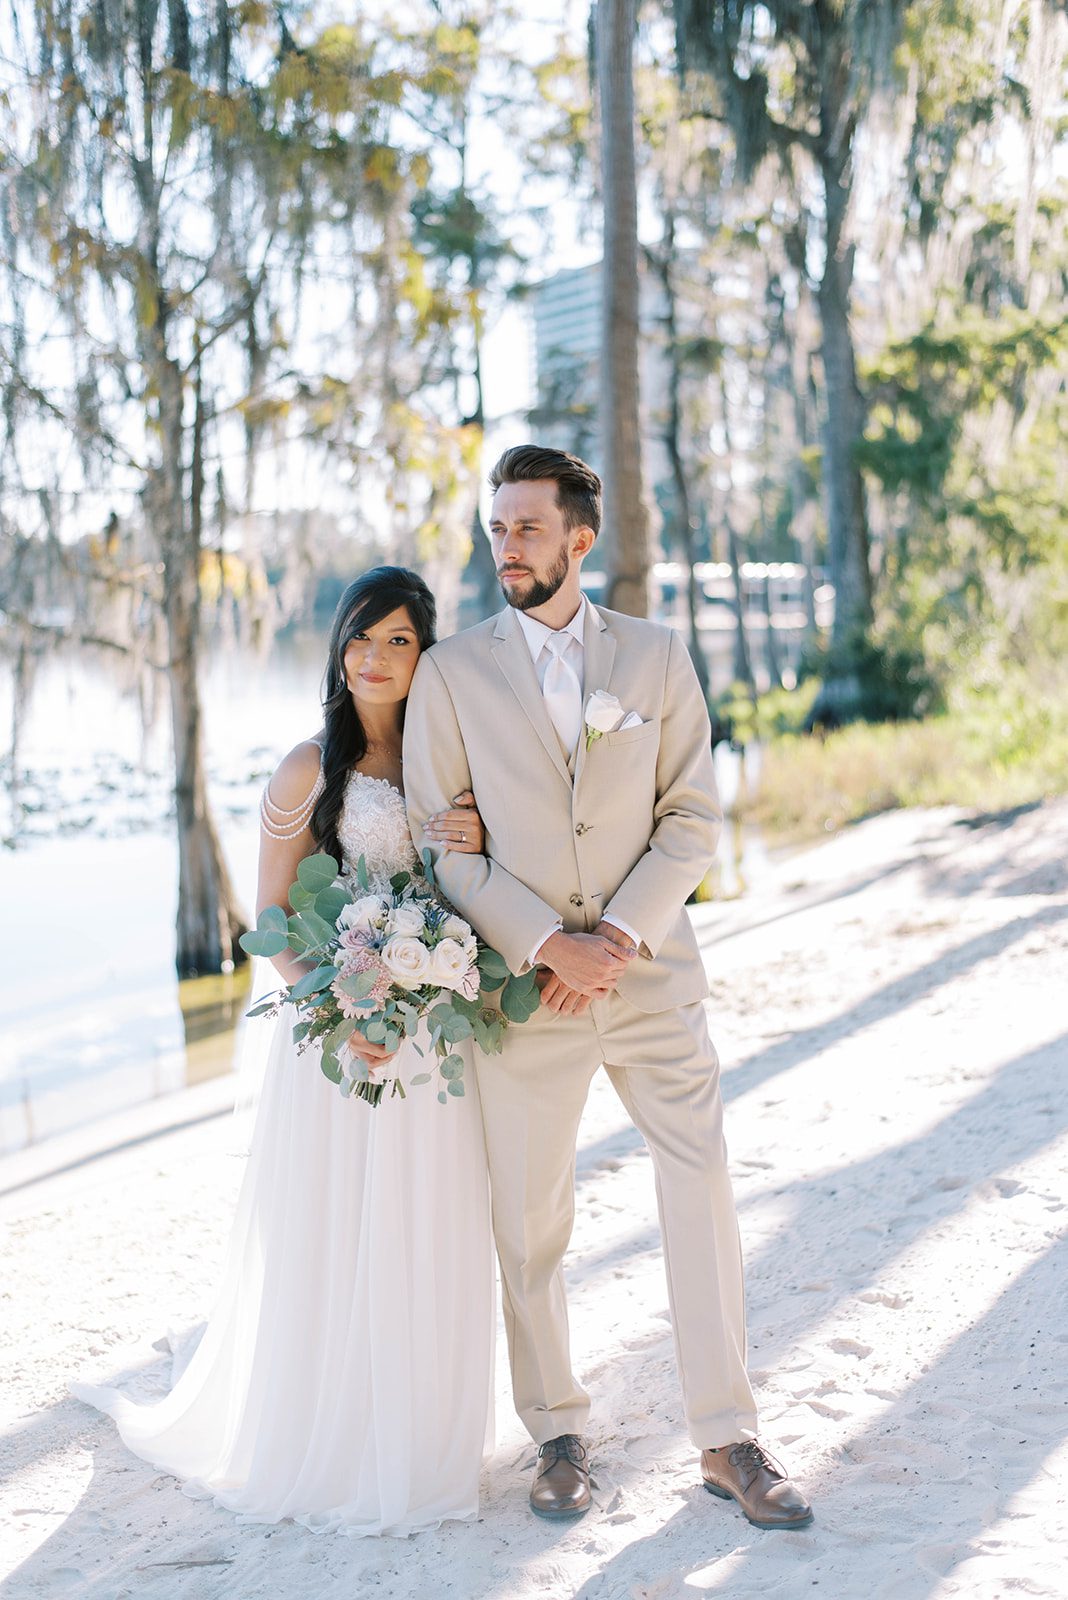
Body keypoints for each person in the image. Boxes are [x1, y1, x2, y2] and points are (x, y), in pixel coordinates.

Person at [403, 446, 813, 1531]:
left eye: (527, 528)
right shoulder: (449, 674)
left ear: (580, 538)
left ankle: (727, 1437)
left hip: (651, 977)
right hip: (524, 994)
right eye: (497, 528)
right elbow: (444, 847)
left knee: (702, 1187)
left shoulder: (656, 654)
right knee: (531, 1221)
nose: (508, 547)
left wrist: (619, 934)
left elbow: (693, 815)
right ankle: (559, 1432)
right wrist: (547, 944)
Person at [72, 566, 497, 1537]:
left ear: (424, 652)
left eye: (398, 639)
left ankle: (422, 1426)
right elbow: (271, 918)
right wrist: (342, 1002)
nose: (377, 658)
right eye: (361, 637)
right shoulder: (308, 769)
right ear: (338, 649)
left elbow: (477, 874)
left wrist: (470, 838)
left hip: (434, 1037)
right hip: (340, 1039)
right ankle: (335, 1431)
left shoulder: (447, 760)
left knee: (424, 1225)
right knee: (341, 1233)